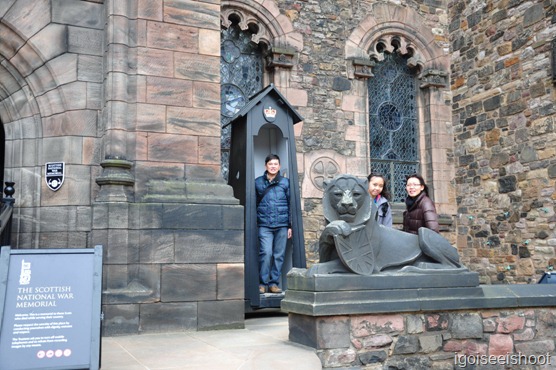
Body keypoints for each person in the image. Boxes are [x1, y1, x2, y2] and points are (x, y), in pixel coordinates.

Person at [255, 154, 292, 294]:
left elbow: (291, 205)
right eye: (270, 164)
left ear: (279, 166)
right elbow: (253, 205)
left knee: (279, 255)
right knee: (266, 253)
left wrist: (290, 226)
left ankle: (273, 284)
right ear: (266, 166)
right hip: (264, 225)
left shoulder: (286, 183)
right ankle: (262, 284)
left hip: (282, 226)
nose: (273, 166)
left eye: (275, 164)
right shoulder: (257, 182)